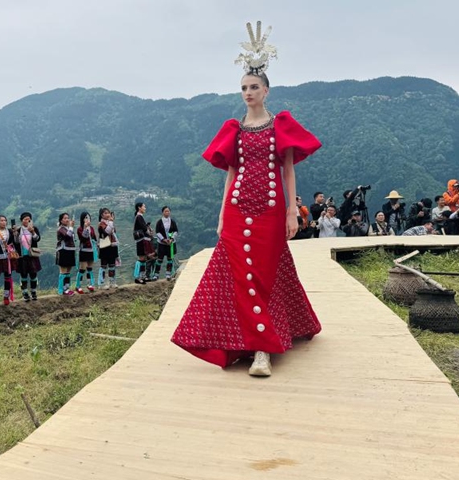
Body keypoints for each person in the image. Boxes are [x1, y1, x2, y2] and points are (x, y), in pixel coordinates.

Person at [172, 22, 322, 377]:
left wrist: (291, 212)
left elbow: (288, 172)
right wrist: (222, 215)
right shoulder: (234, 130)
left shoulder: (279, 126)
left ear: (267, 91)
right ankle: (253, 347)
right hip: (238, 211)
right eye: (243, 88)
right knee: (239, 276)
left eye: (254, 87)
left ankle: (264, 348)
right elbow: (230, 174)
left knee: (266, 273)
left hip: (270, 212)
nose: (248, 92)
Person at [17, 212, 42, 301]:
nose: (27, 221)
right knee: (23, 275)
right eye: (25, 219)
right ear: (21, 221)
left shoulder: (34, 229)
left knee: (33, 274)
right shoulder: (19, 230)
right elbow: (16, 242)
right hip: (22, 256)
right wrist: (15, 234)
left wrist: (33, 232)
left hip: (32, 255)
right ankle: (24, 293)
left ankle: (34, 292)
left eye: (29, 219)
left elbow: (37, 239)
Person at [152, 206, 179, 281]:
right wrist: (163, 239)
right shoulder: (159, 222)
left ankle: (168, 274)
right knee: (159, 259)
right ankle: (156, 275)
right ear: (162, 212)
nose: (167, 212)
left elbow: (176, 231)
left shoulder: (172, 222)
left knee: (170, 259)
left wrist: (171, 239)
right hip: (161, 244)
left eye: (168, 211)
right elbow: (157, 232)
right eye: (165, 211)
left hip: (170, 244)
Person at [133, 202, 156, 284]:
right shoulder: (139, 217)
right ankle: (138, 277)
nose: (145, 208)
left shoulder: (139, 217)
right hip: (141, 240)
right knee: (142, 258)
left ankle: (142, 276)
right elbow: (144, 228)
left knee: (144, 258)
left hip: (142, 240)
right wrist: (149, 232)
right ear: (139, 208)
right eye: (144, 206)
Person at [75, 212, 98, 294]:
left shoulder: (91, 228)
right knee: (82, 269)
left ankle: (90, 284)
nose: (87, 219)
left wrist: (96, 244)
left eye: (88, 217)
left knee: (90, 268)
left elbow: (94, 237)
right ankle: (78, 286)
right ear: (82, 219)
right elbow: (83, 238)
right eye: (85, 217)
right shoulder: (80, 229)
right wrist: (85, 228)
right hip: (84, 250)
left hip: (91, 250)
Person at [55, 213, 77, 295]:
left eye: (68, 218)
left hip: (70, 250)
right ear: (61, 220)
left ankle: (66, 288)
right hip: (63, 250)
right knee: (63, 270)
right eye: (65, 218)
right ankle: (61, 289)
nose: (67, 219)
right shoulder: (61, 229)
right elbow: (68, 236)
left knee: (68, 270)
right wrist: (71, 227)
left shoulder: (67, 228)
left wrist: (70, 228)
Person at [98, 208, 119, 289]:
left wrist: (111, 222)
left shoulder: (110, 223)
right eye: (106, 213)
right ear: (102, 215)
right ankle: (101, 283)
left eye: (109, 213)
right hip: (104, 246)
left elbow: (114, 232)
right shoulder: (101, 224)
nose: (108, 214)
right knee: (103, 265)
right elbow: (107, 232)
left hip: (112, 245)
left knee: (112, 264)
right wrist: (111, 222)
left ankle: (112, 282)